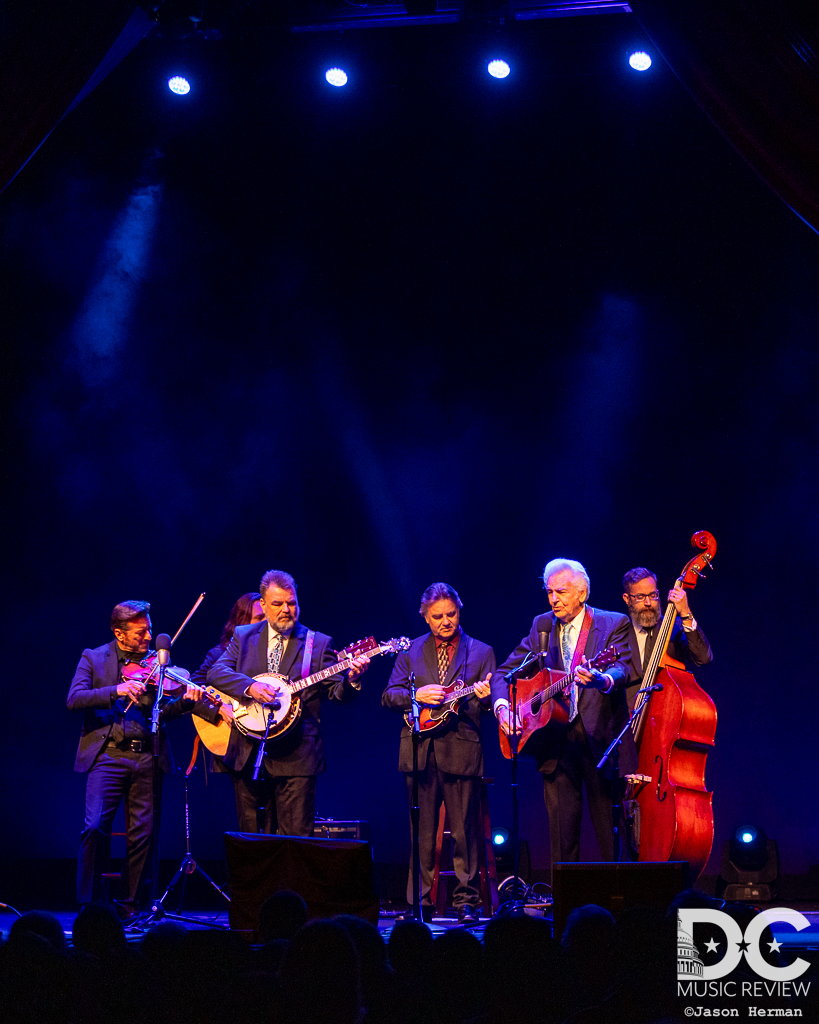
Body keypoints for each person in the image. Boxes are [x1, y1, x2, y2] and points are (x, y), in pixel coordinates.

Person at [491, 558, 634, 866]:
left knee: (611, 834)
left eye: (561, 591)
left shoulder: (613, 623)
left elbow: (623, 669)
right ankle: (564, 908)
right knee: (561, 838)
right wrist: (504, 709)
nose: (554, 599)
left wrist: (602, 679)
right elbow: (504, 673)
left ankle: (621, 904)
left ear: (582, 593)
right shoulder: (541, 625)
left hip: (600, 741)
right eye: (549, 592)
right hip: (555, 741)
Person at [67, 600, 203, 919]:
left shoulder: (158, 665)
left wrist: (185, 703)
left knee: (143, 834)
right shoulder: (94, 657)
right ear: (120, 633)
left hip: (147, 756)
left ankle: (128, 904)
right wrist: (116, 689)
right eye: (141, 633)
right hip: (108, 756)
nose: (148, 639)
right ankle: (89, 904)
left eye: (150, 630)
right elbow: (75, 698)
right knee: (94, 826)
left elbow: (164, 711)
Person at [207, 569, 368, 836]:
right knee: (252, 842)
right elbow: (216, 673)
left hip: (297, 756)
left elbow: (337, 694)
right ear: (263, 605)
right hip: (249, 754)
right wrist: (250, 687)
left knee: (295, 841)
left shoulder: (317, 643)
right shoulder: (244, 636)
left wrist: (351, 679)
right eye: (278, 604)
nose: (286, 610)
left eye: (291, 603)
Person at [382, 582, 495, 924]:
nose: (446, 621)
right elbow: (389, 695)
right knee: (422, 832)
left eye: (451, 614)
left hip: (461, 748)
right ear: (425, 618)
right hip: (419, 750)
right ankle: (419, 903)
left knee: (464, 832)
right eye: (438, 617)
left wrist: (486, 697)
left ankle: (467, 902)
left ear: (459, 611)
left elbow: (487, 704)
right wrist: (417, 696)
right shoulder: (411, 650)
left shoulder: (481, 651)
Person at [622, 567, 713, 710]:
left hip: (665, 717)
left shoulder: (674, 627)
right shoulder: (619, 632)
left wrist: (685, 612)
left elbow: (703, 657)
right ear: (627, 599)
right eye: (640, 597)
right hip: (627, 722)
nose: (648, 602)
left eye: (653, 595)